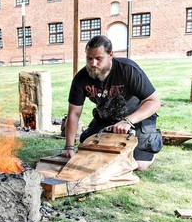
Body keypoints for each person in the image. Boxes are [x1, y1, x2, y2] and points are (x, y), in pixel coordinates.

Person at [62, 35, 162, 171]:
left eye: (98, 59)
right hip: (106, 119)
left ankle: (150, 145)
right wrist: (69, 146)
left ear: (111, 55)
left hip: (137, 118)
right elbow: (74, 113)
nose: (93, 64)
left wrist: (128, 121)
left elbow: (154, 101)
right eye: (89, 58)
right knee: (87, 153)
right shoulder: (81, 78)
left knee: (139, 165)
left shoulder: (128, 70)